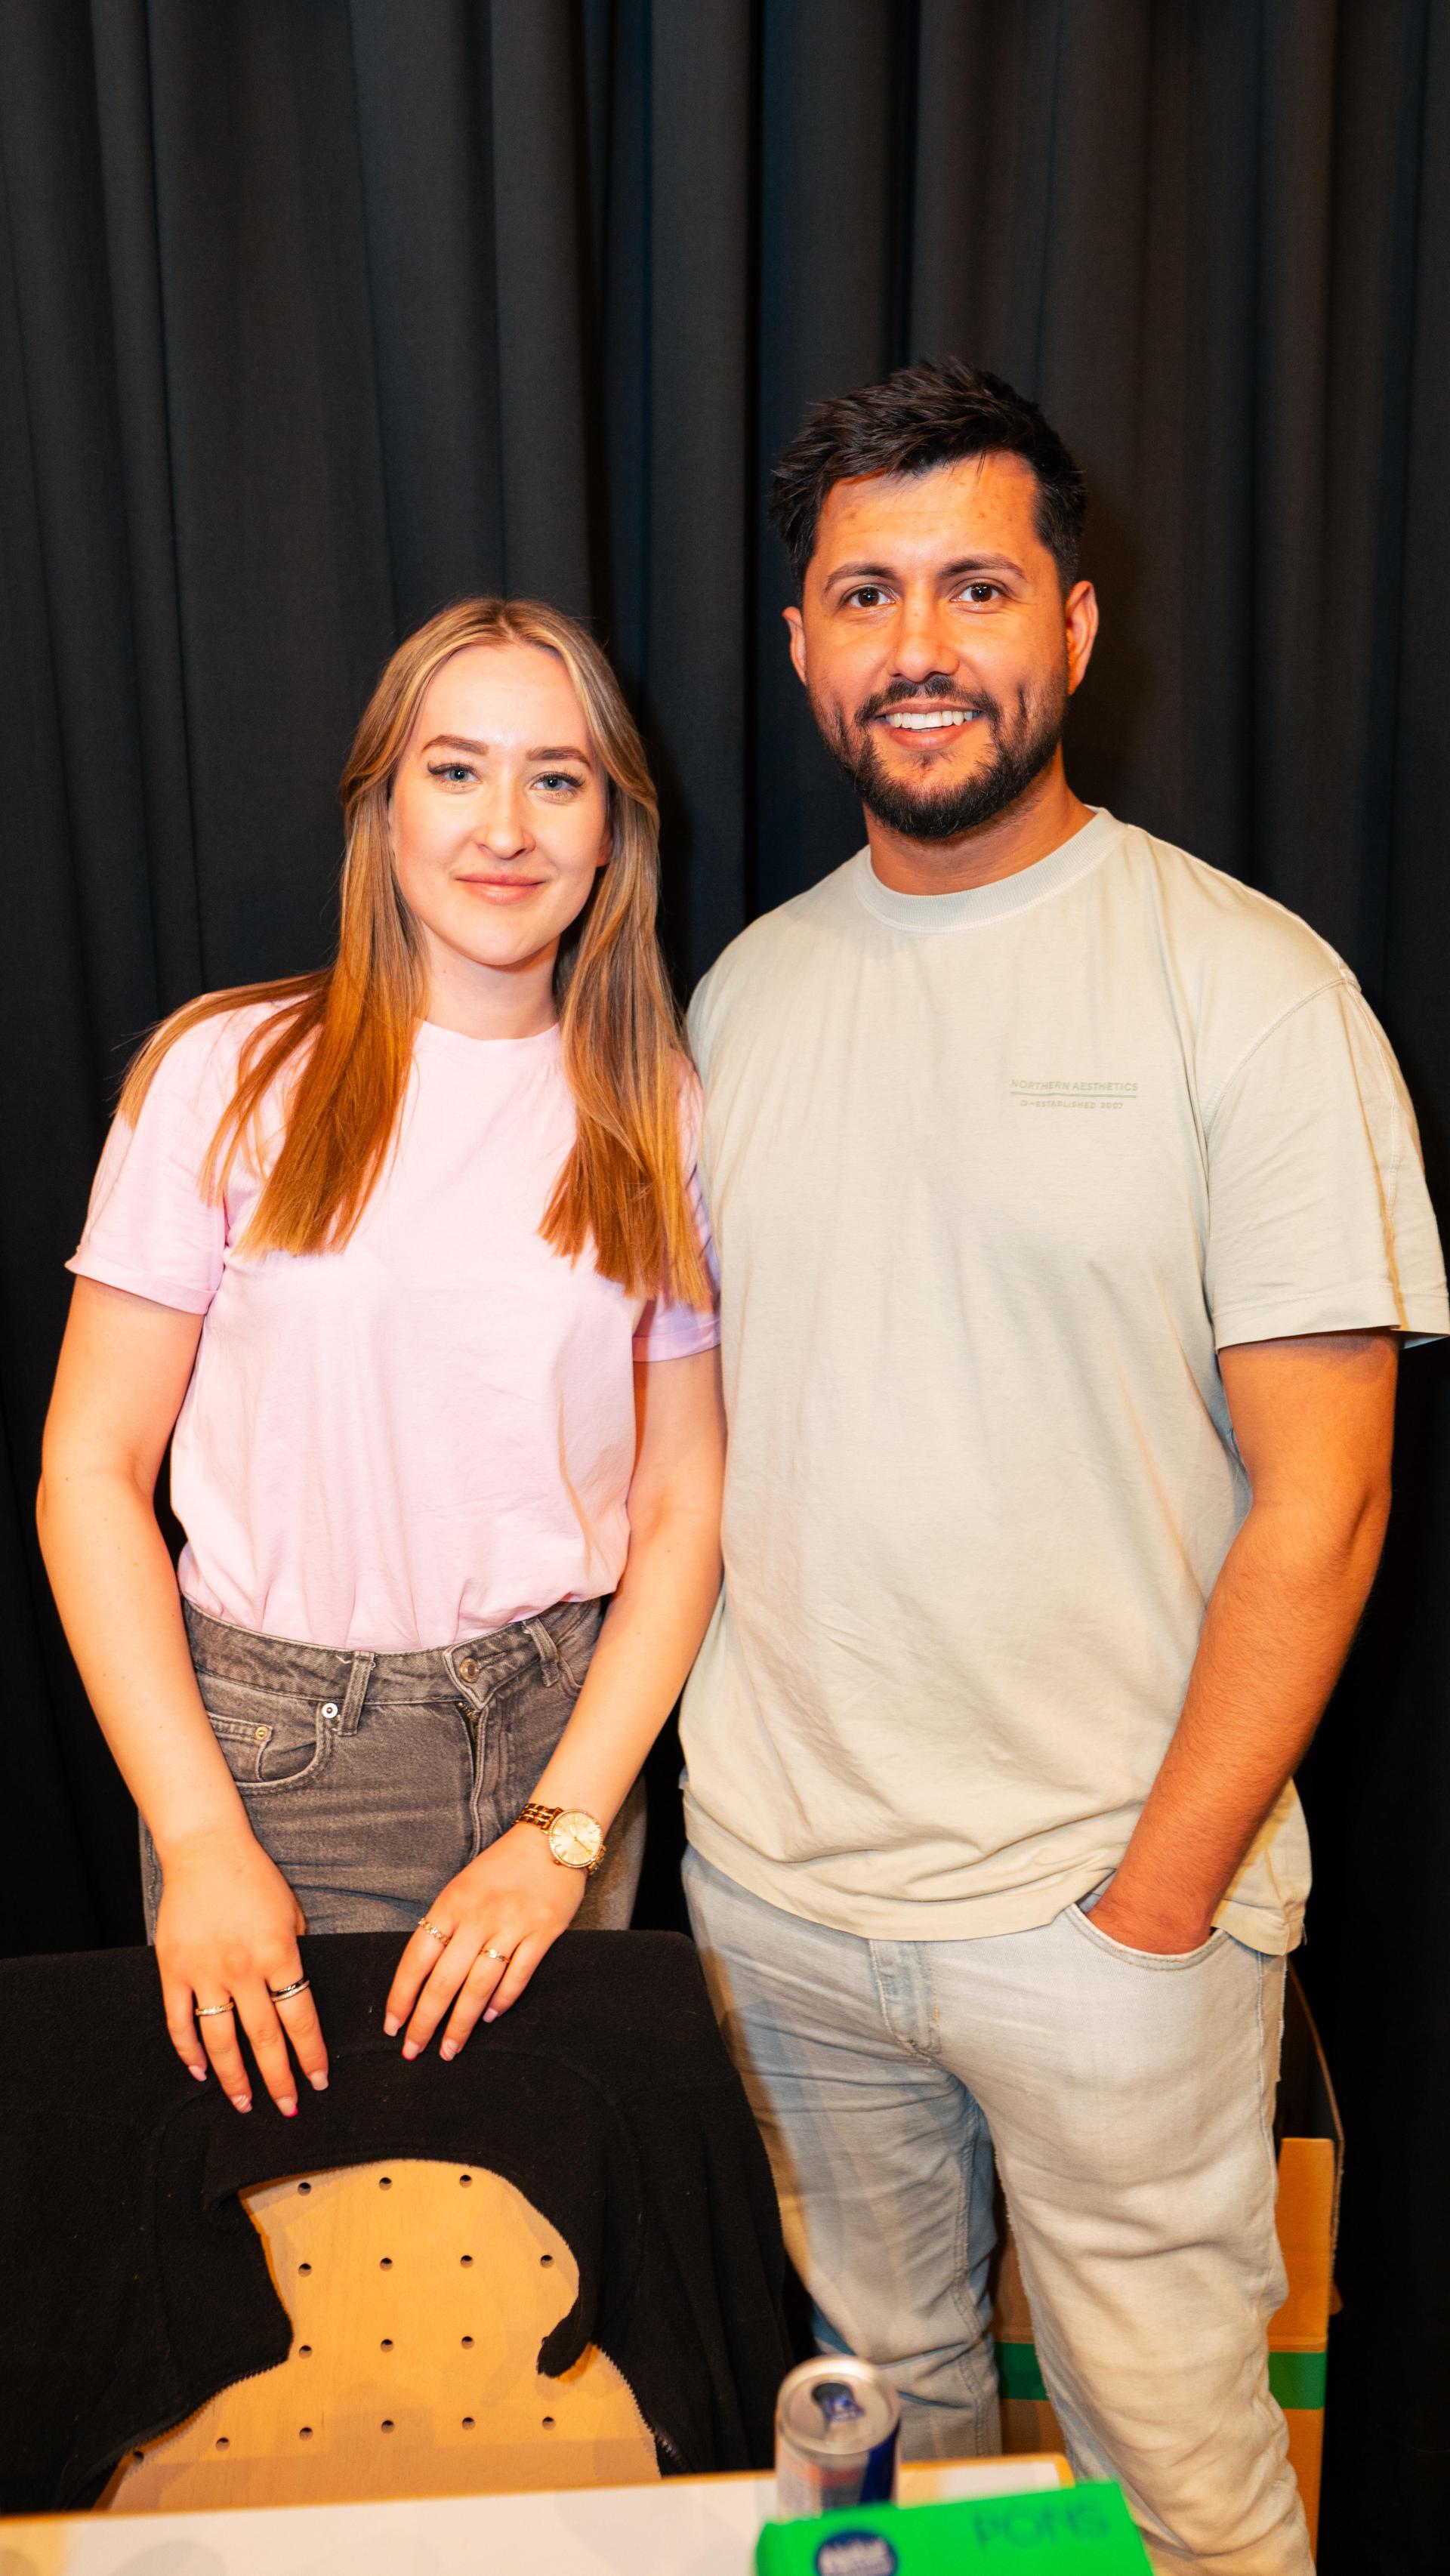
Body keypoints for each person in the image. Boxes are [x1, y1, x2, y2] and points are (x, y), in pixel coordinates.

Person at [679, 359, 1448, 2576]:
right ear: (808, 643)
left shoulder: (1251, 991)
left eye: (977, 586)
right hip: (787, 1913)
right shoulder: (737, 1000)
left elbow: (1332, 1496)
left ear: (1073, 631)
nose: (921, 642)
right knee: (877, 2478)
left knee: (1177, 2488)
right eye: (866, 593)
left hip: (1108, 1918)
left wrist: (1159, 1896)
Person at [39, 596, 723, 2126]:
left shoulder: (657, 1105)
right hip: (281, 1771)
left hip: (565, 1739)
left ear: (614, 827)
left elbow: (687, 1503)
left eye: (557, 777)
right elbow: (89, 1476)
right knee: (303, 2294)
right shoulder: (228, 1073)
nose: (506, 824)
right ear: (381, 808)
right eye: (455, 769)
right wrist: (203, 1837)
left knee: (529, 2262)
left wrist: (563, 1830)